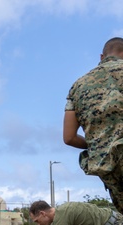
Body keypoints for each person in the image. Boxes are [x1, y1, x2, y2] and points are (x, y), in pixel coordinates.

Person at [63, 37, 123, 213]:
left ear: (101, 56)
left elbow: (69, 137)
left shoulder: (78, 86)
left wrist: (101, 143)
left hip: (109, 167)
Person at [29, 200, 123, 225]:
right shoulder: (62, 210)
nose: (39, 224)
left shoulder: (61, 218)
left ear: (42, 214)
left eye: (37, 221)